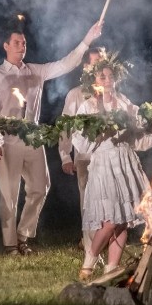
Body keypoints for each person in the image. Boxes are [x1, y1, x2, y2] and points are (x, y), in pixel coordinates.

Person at [0, 18, 104, 255]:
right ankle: (9, 245)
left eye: (24, 43)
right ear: (5, 45)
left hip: (32, 138)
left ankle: (23, 236)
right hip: (6, 139)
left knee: (40, 186)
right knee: (9, 192)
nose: (21, 46)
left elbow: (66, 64)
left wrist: (87, 40)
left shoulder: (36, 71)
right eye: (16, 42)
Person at [71, 51, 152, 280]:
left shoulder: (124, 104)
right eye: (102, 77)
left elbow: (139, 131)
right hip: (104, 164)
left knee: (123, 219)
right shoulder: (88, 107)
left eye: (111, 76)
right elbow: (80, 141)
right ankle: (90, 257)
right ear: (94, 81)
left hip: (125, 162)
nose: (108, 81)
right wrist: (97, 129)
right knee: (109, 221)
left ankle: (112, 267)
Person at [58, 47, 103, 254]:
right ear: (86, 67)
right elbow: (66, 126)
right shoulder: (76, 95)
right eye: (95, 63)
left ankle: (104, 238)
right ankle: (89, 243)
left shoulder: (112, 94)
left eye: (102, 62)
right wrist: (65, 156)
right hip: (84, 157)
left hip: (109, 156)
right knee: (87, 199)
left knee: (109, 197)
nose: (99, 68)